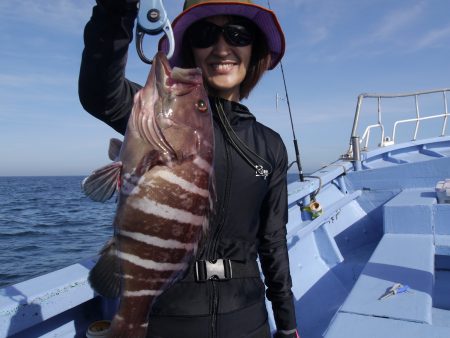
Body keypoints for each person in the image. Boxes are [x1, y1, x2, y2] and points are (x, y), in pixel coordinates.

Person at [79, 0, 299, 337]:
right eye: (205, 33)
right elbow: (100, 92)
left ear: (254, 50)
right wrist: (115, 10)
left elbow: (273, 241)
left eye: (238, 35)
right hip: (168, 316)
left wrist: (286, 324)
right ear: (190, 49)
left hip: (248, 317)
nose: (222, 47)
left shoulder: (270, 145)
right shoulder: (156, 116)